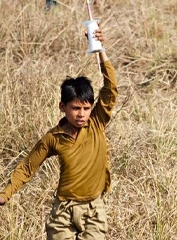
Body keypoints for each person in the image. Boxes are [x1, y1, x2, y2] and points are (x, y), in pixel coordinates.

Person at [0, 27, 117, 240]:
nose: (81, 114)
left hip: (94, 209)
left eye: (86, 108)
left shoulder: (96, 123)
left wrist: (100, 49)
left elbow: (110, 88)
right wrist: (6, 193)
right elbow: (28, 166)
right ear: (62, 107)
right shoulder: (53, 137)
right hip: (62, 212)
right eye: (75, 108)